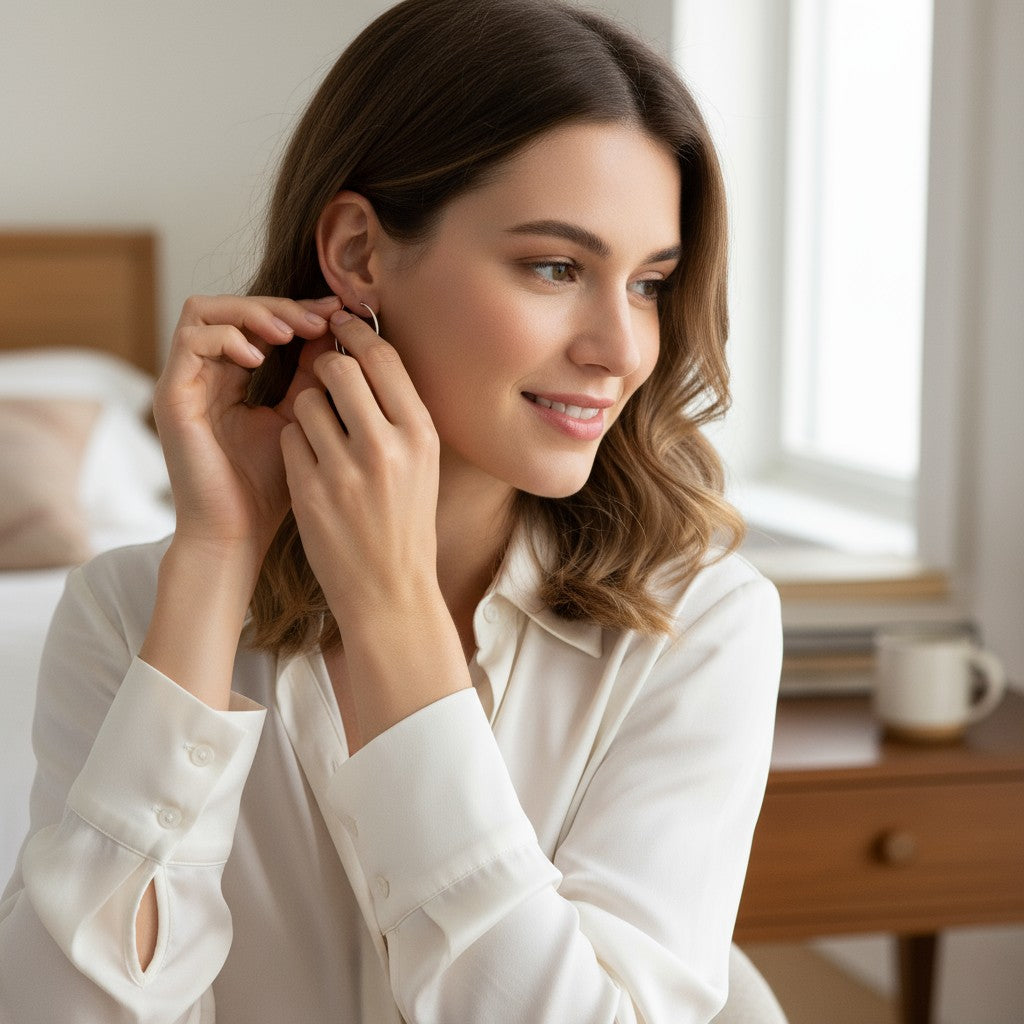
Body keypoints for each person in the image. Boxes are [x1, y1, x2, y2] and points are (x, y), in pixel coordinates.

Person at [0, 0, 782, 1021]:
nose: (621, 348)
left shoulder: (699, 622)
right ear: (360, 252)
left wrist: (393, 616)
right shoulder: (128, 608)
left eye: (647, 283)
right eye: (555, 266)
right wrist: (215, 558)